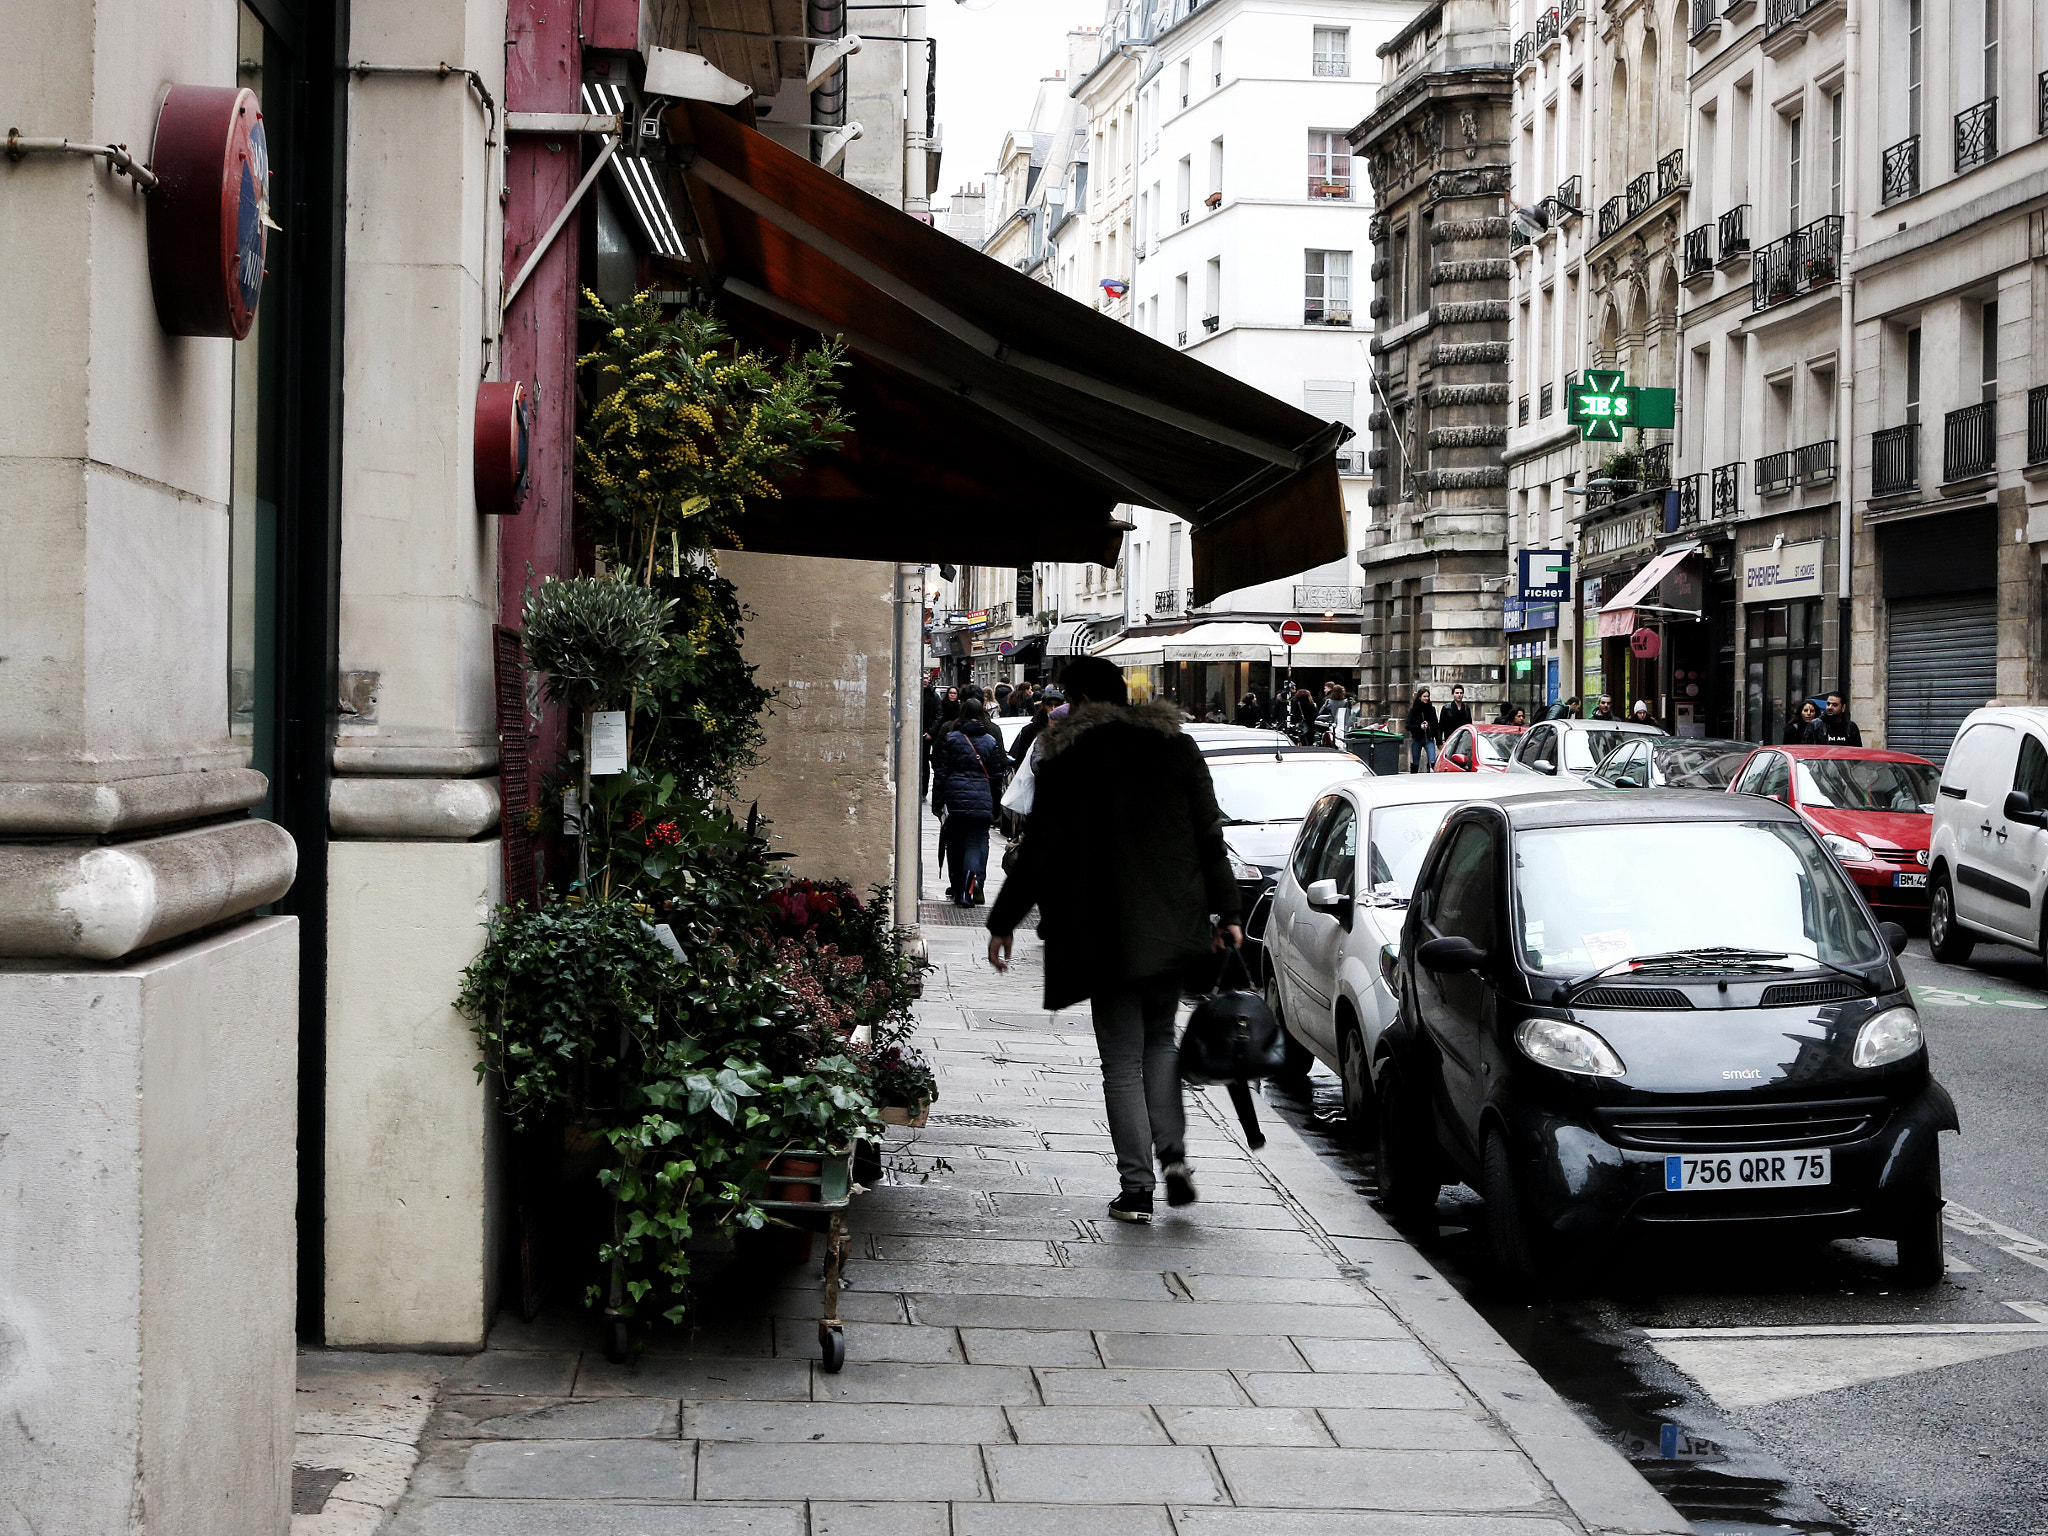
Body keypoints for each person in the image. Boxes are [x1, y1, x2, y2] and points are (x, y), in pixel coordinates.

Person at [986, 656, 1241, 1224]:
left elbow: (1041, 852)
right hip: (1173, 923)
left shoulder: (1066, 756)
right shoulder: (1177, 747)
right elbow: (1209, 835)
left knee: (1121, 1061)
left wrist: (1004, 919)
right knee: (1160, 1043)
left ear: (1076, 700)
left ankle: (1136, 1189)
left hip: (1104, 929)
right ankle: (1173, 1155)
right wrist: (1229, 911)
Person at [930, 699, 1008, 906]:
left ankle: (958, 888)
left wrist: (937, 801)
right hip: (981, 799)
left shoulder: (951, 738)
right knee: (975, 844)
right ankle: (970, 888)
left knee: (954, 843)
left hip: (955, 798)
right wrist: (995, 804)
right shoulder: (990, 741)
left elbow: (941, 772)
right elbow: (996, 775)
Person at [1405, 687, 1440, 772]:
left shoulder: (1432, 709)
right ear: (1420, 697)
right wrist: (1419, 727)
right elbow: (1408, 726)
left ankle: (1430, 774)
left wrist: (1438, 740)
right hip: (1417, 739)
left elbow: (1436, 725)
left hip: (1429, 738)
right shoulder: (1414, 710)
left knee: (1432, 760)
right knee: (1415, 762)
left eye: (1428, 696)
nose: (1426, 698)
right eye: (1424, 696)